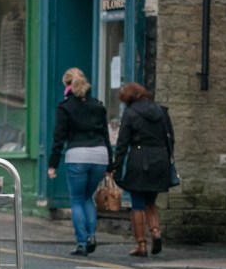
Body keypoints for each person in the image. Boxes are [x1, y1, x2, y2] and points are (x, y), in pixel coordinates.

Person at [47, 68, 112, 256]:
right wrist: (111, 165)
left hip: (77, 155)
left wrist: (53, 164)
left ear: (68, 85)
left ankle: (82, 243)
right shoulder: (98, 105)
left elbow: (59, 138)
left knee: (76, 200)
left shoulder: (65, 107)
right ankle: (92, 236)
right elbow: (105, 136)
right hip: (100, 155)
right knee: (88, 198)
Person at [111, 82, 174, 257]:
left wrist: (116, 169)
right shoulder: (161, 111)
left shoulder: (130, 114)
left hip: (139, 160)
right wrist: (167, 159)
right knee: (151, 202)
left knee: (137, 203)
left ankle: (141, 244)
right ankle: (156, 232)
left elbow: (122, 143)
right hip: (160, 160)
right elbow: (171, 139)